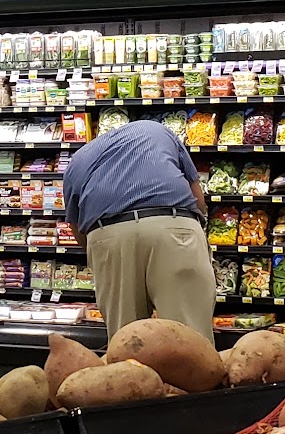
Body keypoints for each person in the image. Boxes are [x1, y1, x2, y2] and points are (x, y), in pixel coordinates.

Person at [62, 118, 214, 338]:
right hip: (172, 226)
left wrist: (102, 255)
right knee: (190, 334)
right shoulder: (157, 129)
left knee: (126, 339)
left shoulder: (78, 159)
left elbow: (77, 229)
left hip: (108, 236)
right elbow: (197, 198)